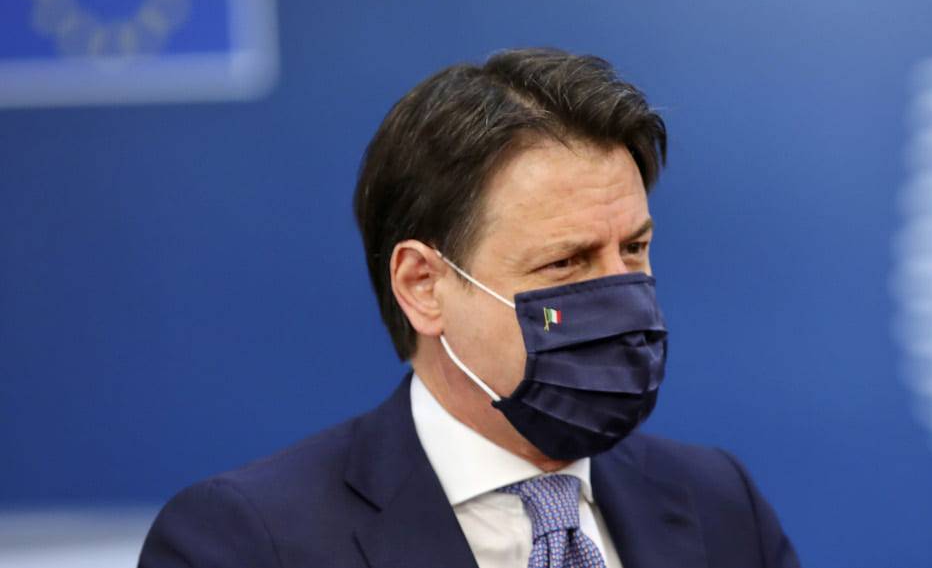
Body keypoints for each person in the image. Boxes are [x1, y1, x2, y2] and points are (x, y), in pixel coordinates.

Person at [139, 49, 801, 568]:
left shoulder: (720, 505)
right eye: (565, 263)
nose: (620, 294)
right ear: (424, 285)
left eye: (633, 249)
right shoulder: (248, 542)